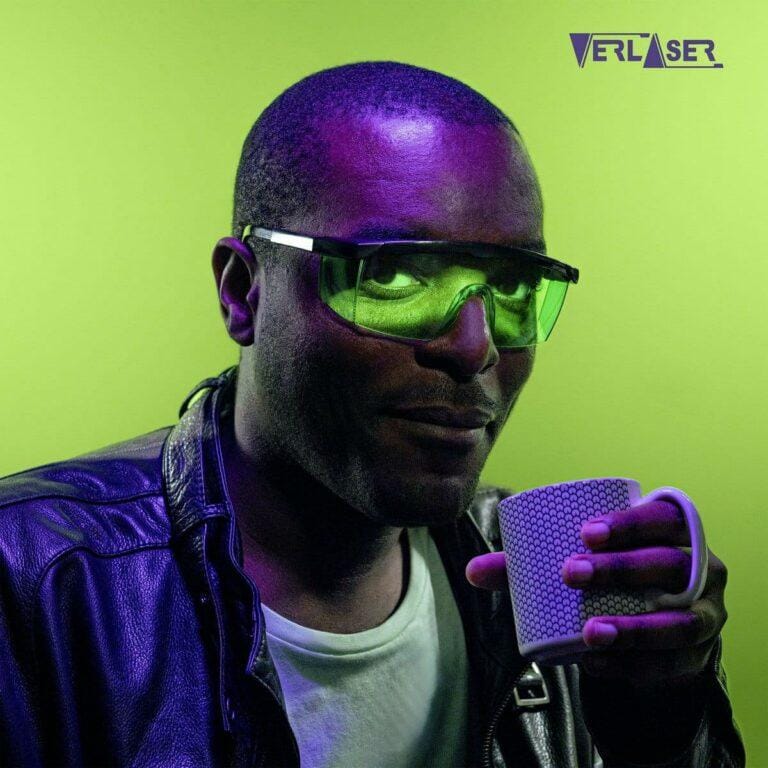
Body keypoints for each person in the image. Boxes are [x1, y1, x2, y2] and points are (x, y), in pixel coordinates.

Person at [0, 61, 745, 768]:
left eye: (515, 287)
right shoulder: (32, 578)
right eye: (393, 275)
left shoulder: (547, 583)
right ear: (242, 290)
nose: (475, 347)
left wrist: (661, 717)